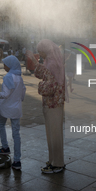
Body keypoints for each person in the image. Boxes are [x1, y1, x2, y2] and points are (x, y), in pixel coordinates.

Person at [25, 39, 66, 174]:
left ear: (46, 50)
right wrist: (34, 60)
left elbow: (47, 81)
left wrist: (33, 60)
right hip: (52, 103)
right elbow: (41, 73)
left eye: (41, 51)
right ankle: (53, 160)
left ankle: (57, 163)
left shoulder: (52, 63)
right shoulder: (51, 60)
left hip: (53, 103)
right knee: (52, 133)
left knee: (54, 134)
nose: (40, 53)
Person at [0, 55, 26, 170]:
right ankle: (17, 160)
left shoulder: (8, 77)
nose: (4, 66)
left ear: (10, 65)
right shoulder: (19, 77)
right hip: (16, 109)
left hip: (6, 108)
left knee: (1, 125)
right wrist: (17, 101)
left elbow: (5, 94)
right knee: (16, 134)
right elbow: (23, 92)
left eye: (5, 64)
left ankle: (5, 147)